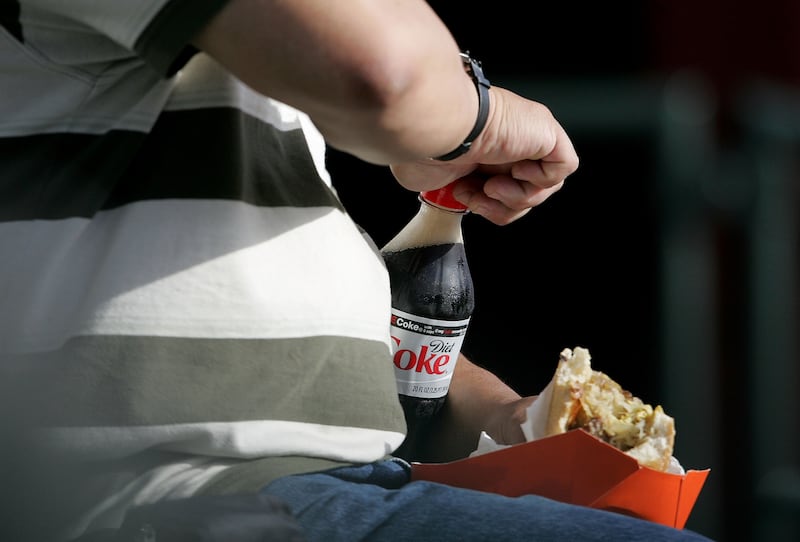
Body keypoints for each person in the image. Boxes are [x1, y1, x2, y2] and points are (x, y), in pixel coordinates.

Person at [0, 1, 712, 541]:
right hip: (184, 505)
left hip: (312, 490)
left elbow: (283, 338)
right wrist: (477, 115)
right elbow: (384, 73)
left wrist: (506, 420)